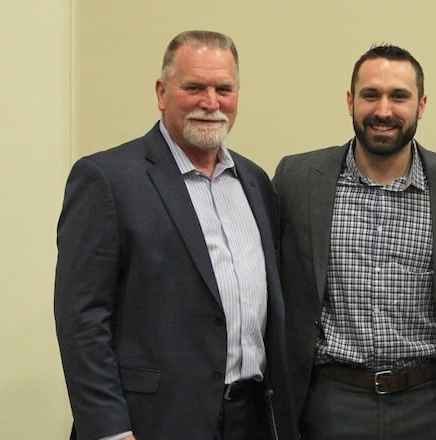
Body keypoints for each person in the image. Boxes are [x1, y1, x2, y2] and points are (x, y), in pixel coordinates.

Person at [54, 30, 297, 440]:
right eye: (194, 87)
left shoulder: (254, 181)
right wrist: (110, 431)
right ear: (162, 91)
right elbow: (82, 319)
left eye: (224, 88)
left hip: (252, 418)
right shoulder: (107, 179)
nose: (210, 102)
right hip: (154, 421)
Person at [272, 44, 436, 440]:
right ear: (351, 101)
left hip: (431, 405)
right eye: (371, 95)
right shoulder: (297, 179)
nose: (384, 110)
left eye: (399, 96)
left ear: (421, 104)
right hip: (330, 403)